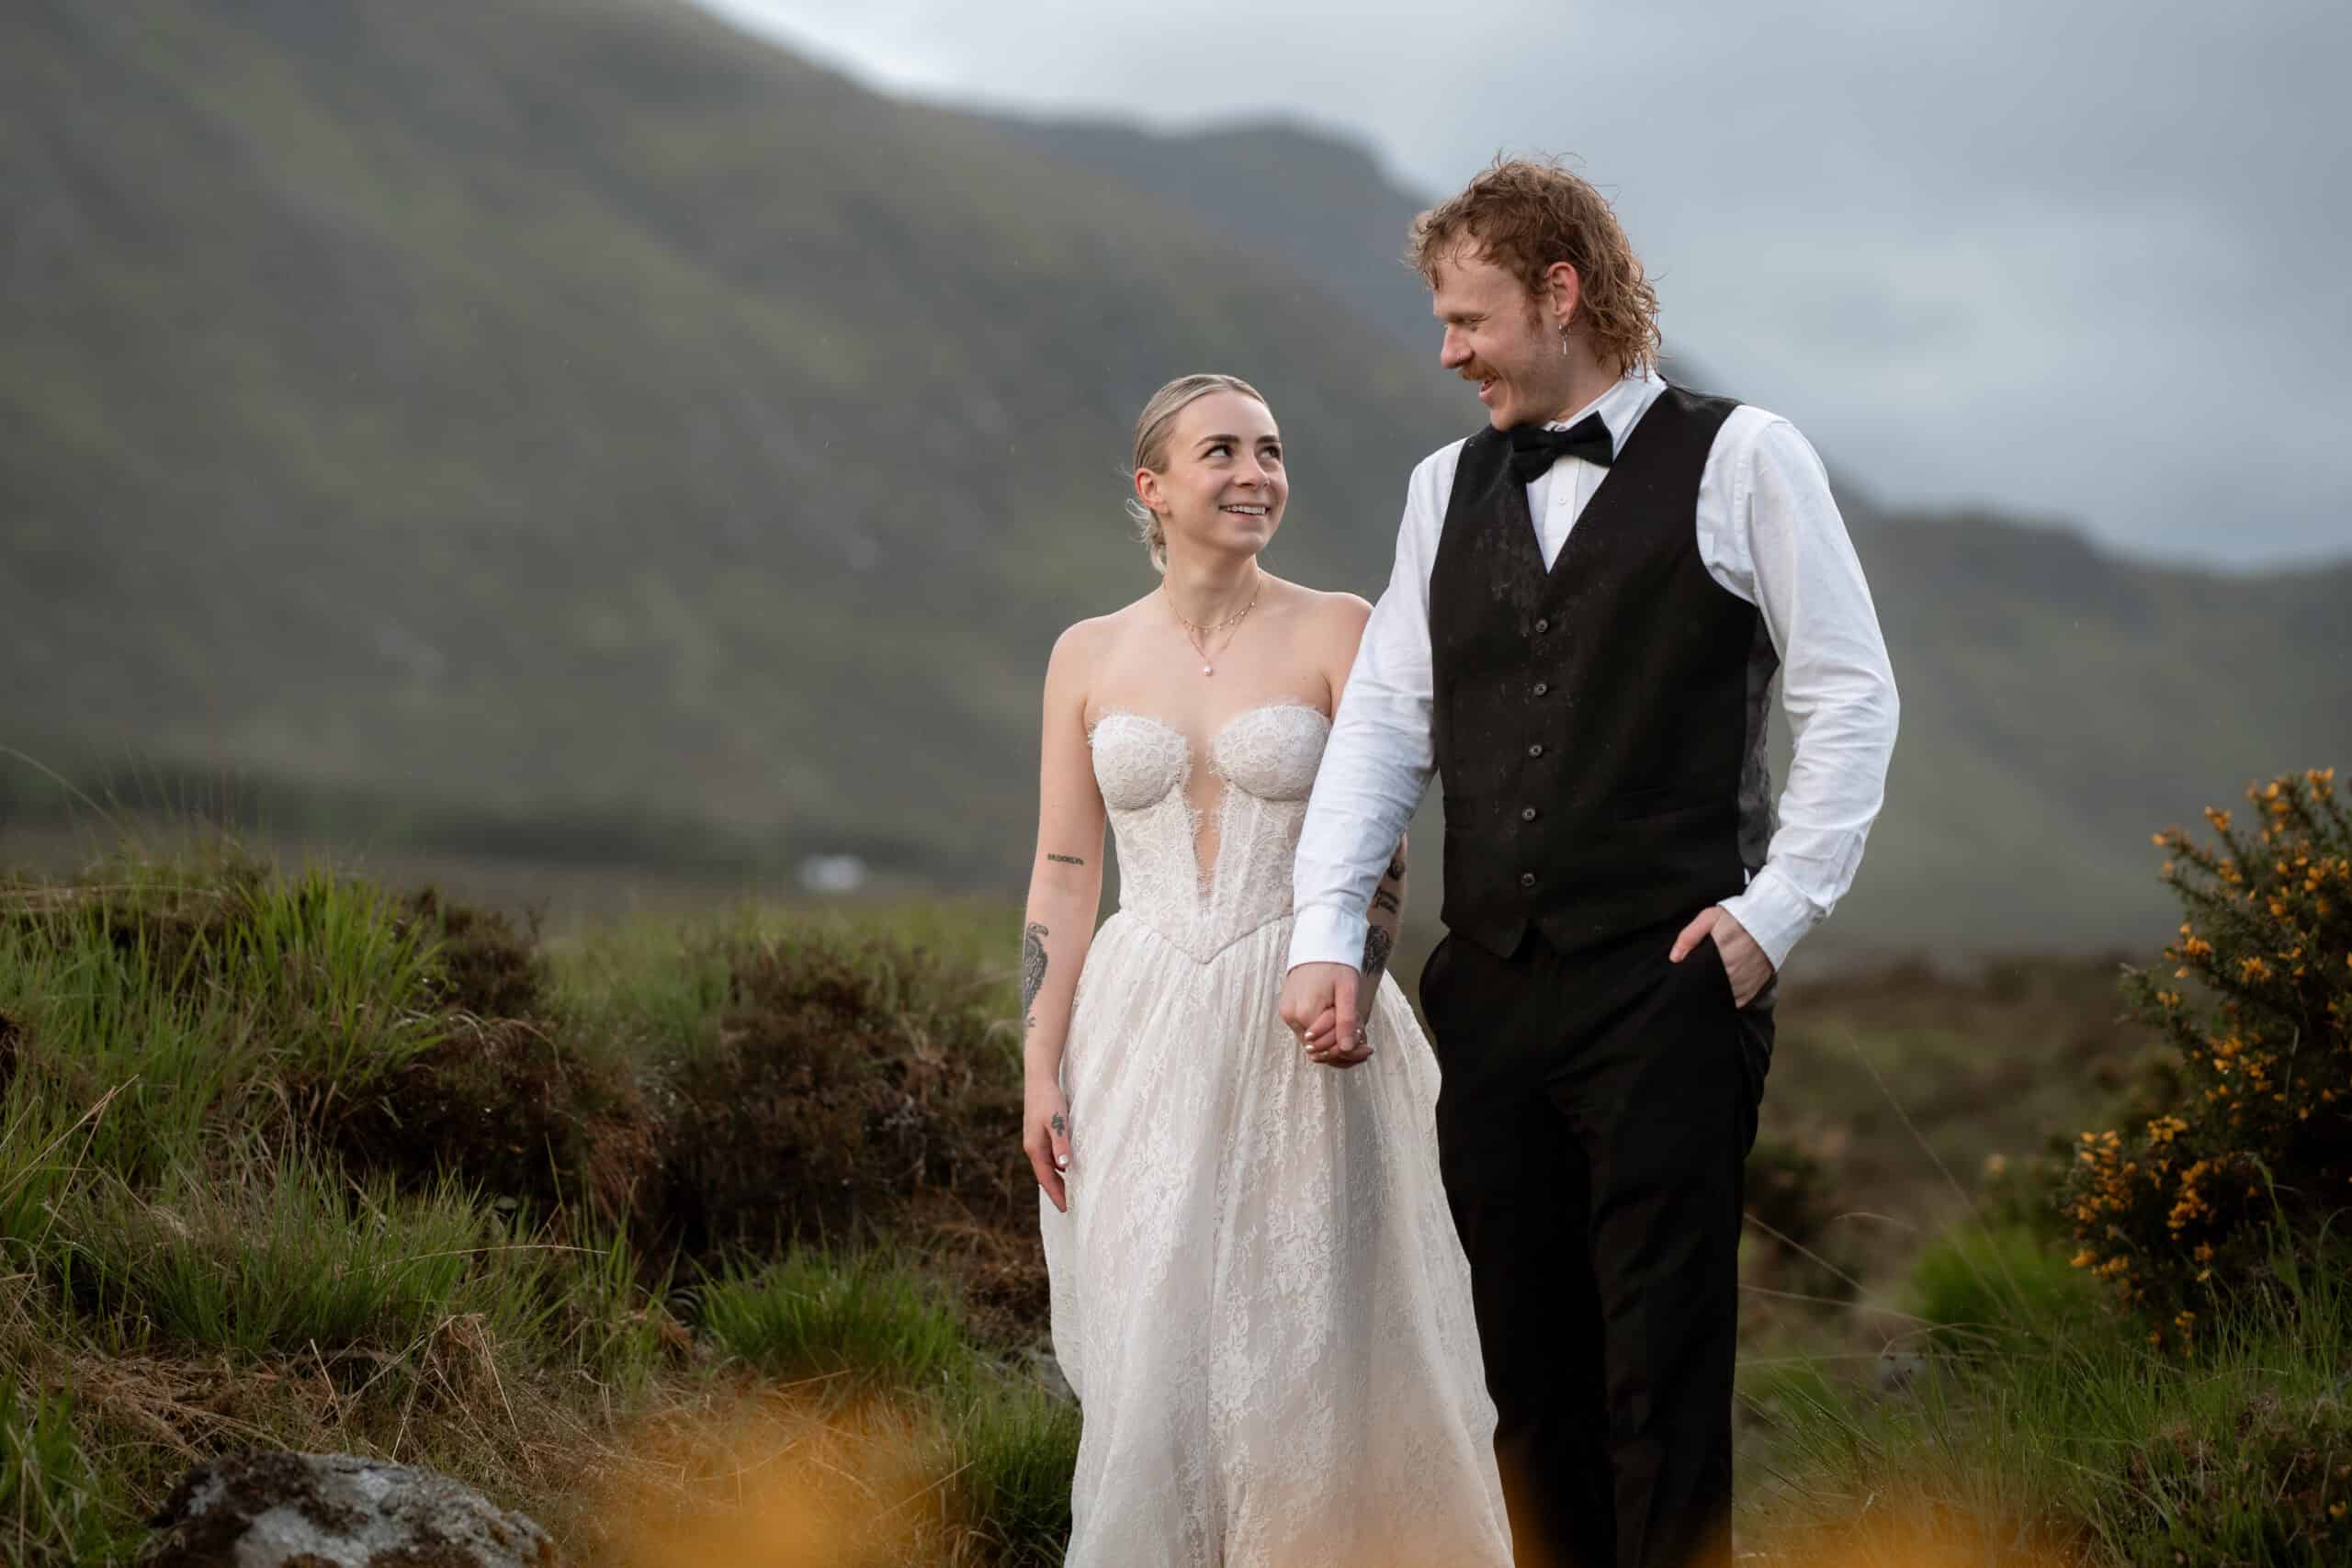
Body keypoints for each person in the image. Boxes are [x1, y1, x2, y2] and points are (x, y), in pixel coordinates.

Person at [1279, 159, 1901, 1568]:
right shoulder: (1445, 487)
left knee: (1661, 1380)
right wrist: (1326, 924)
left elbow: (1853, 695)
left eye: (1469, 319)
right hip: (1490, 995)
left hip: (1672, 985)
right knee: (1528, 1381)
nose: (1449, 353)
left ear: (1561, 292)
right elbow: (1388, 719)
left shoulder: (1747, 456)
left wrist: (1775, 913)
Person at [1023, 373, 1513, 1567]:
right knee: (1156, 1331)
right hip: (1137, 1023)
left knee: (1310, 1334)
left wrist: (1347, 968)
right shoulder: (1087, 655)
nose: (1257, 474)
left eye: (1273, 452)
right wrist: (1037, 1067)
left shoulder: (1340, 626)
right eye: (1224, 453)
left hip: (1304, 1008)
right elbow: (1064, 871)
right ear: (1154, 487)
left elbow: (1389, 831)